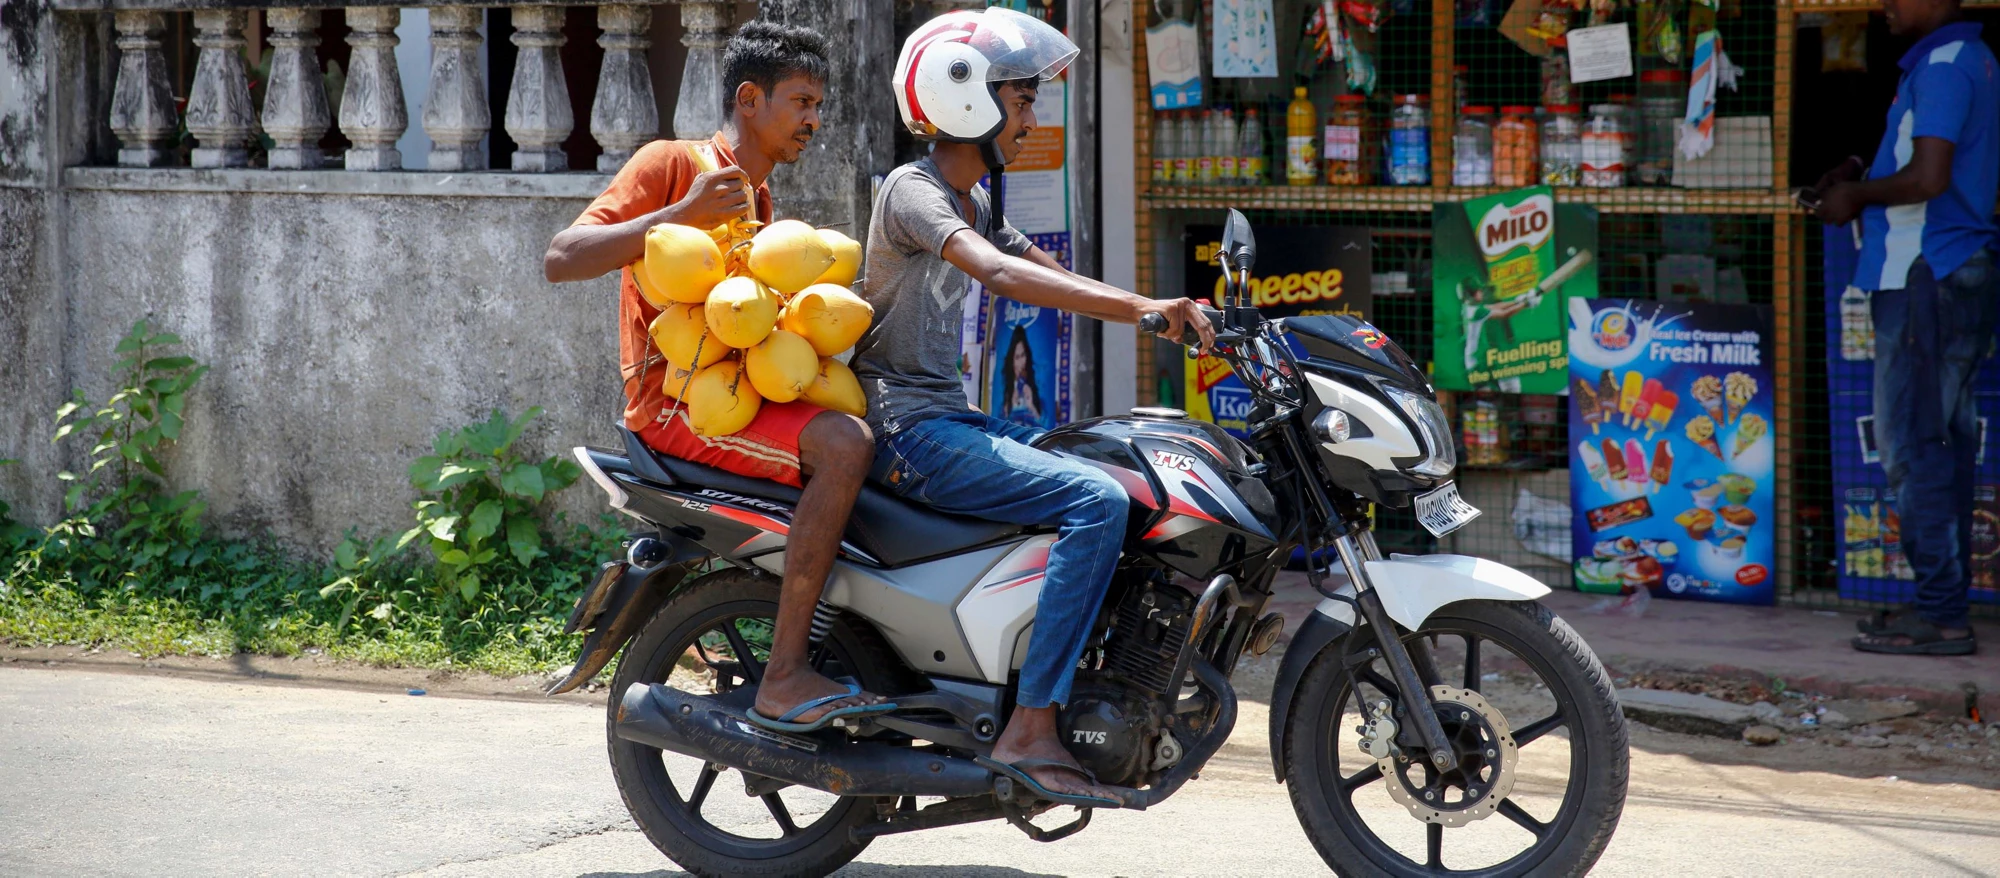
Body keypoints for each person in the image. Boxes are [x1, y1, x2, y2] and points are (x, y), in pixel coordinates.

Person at [856, 7, 1214, 804]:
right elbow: (1004, 276)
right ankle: (1032, 724)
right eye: (1021, 101)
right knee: (1093, 503)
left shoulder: (974, 201)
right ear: (967, 104)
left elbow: (1044, 267)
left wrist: (1156, 307)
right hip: (907, 429)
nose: (1032, 117)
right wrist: (1139, 313)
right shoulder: (913, 194)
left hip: (942, 419)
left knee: (1106, 465)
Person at [543, 21, 892, 727]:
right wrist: (679, 213)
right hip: (673, 413)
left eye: (819, 106)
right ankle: (784, 673)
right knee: (844, 446)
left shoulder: (760, 206)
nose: (814, 120)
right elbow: (562, 256)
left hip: (735, 398)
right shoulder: (671, 163)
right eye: (801, 102)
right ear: (749, 99)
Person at [1811, 0, 1998, 655]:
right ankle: (1938, 603)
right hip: (1948, 274)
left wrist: (1853, 199)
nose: (1884, 7)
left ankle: (1942, 616)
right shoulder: (1964, 59)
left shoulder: (1946, 64)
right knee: (1940, 443)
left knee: (1912, 448)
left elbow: (1930, 176)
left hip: (1927, 274)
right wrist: (1860, 168)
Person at [1000, 327, 1045, 426]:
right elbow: (998, 426)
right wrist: (1009, 406)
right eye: (1017, 357)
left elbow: (1045, 427)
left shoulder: (1036, 386)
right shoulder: (1005, 391)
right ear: (1011, 361)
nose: (1021, 362)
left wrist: (1031, 406)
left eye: (1023, 355)